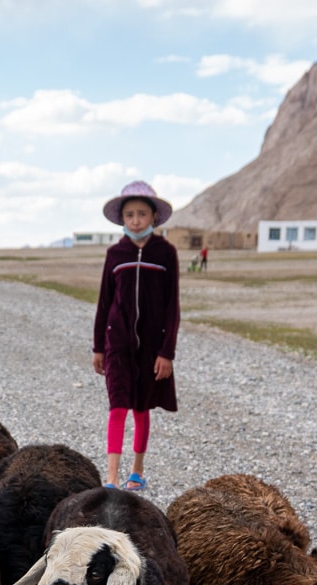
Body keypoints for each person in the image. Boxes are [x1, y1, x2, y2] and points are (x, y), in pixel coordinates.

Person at [92, 180, 179, 490]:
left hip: (151, 348)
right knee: (117, 406)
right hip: (118, 344)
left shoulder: (166, 253)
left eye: (142, 214)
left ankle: (136, 471)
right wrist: (98, 346)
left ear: (154, 217)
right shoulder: (116, 253)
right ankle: (112, 478)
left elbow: (173, 305)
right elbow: (104, 301)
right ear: (122, 218)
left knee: (141, 409)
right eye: (130, 215)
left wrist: (166, 351)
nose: (136, 220)